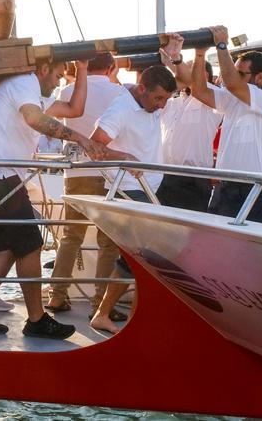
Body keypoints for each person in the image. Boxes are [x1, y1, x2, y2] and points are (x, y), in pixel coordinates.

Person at [0, 60, 117, 338]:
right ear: (42, 69)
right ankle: (37, 319)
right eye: (55, 76)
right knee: (30, 245)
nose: (57, 83)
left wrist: (81, 68)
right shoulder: (23, 84)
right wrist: (81, 139)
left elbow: (74, 110)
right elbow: (34, 119)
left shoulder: (33, 93)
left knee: (7, 248)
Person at [87, 65, 178, 333]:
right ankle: (108, 315)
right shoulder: (121, 109)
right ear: (142, 89)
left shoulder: (146, 104)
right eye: (158, 99)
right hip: (128, 189)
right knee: (140, 257)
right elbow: (94, 146)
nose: (161, 106)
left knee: (140, 258)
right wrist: (124, 157)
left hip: (147, 188)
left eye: (165, 100)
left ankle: (130, 318)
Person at [46, 53, 128, 315]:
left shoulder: (69, 89)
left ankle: (56, 296)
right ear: (111, 67)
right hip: (106, 172)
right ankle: (99, 304)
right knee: (108, 241)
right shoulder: (119, 93)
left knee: (71, 236)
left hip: (76, 171)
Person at [190, 26, 262, 224]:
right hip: (225, 188)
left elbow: (232, 83)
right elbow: (199, 91)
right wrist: (200, 54)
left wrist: (222, 45)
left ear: (260, 77)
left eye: (241, 74)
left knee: (251, 253)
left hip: (253, 190)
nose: (232, 77)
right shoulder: (233, 98)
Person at [157, 58, 221, 212]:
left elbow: (202, 88)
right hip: (164, 176)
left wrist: (175, 64)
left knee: (190, 234)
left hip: (193, 179)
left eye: (186, 71)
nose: (180, 75)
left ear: (204, 75)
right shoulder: (172, 102)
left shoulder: (213, 100)